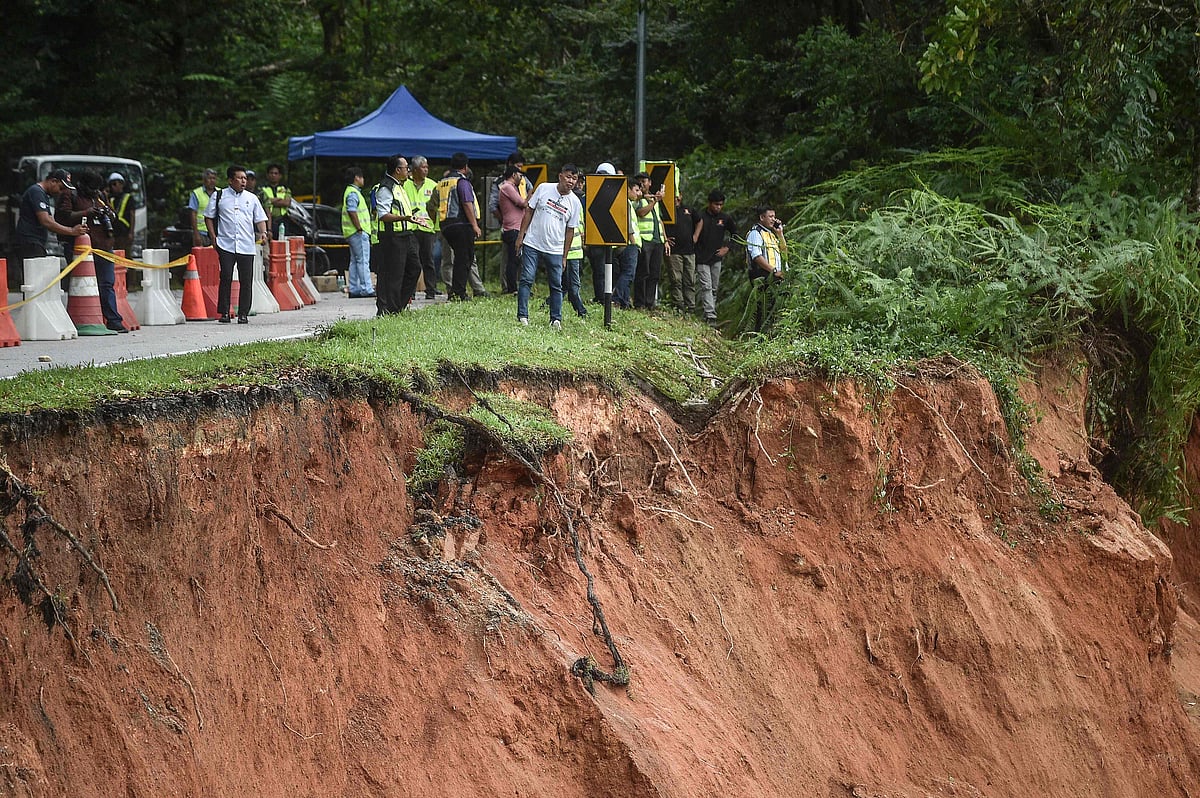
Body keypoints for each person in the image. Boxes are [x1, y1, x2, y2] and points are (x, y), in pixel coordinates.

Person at [56, 168, 126, 332]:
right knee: (82, 285)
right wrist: (86, 213)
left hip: (104, 246)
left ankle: (114, 320)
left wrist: (108, 213)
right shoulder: (70, 194)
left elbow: (111, 213)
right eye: (91, 189)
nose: (94, 192)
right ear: (82, 185)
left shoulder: (100, 196)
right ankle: (80, 319)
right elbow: (62, 217)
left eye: (97, 189)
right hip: (80, 247)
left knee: (107, 283)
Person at [515, 164, 582, 329]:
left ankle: (555, 319)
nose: (571, 181)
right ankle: (522, 316)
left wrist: (564, 256)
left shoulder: (575, 202)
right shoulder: (544, 188)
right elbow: (529, 211)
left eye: (574, 178)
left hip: (555, 249)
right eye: (568, 177)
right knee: (526, 278)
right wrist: (521, 235)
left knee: (556, 284)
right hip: (532, 242)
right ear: (560, 176)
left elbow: (570, 231)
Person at [204, 165, 268, 324]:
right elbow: (208, 217)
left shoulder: (252, 198)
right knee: (225, 276)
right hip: (225, 243)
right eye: (239, 178)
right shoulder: (219, 196)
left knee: (246, 280)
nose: (243, 181)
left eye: (245, 178)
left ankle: (243, 313)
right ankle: (224, 312)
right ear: (230, 180)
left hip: (246, 245)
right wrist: (213, 236)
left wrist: (264, 233)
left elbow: (260, 218)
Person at [374, 155, 423, 315]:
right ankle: (389, 309)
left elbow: (403, 211)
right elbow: (383, 214)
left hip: (406, 234)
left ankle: (398, 306)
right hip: (392, 237)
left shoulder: (400, 186)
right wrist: (405, 218)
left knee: (414, 269)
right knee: (394, 274)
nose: (408, 170)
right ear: (397, 170)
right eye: (406, 167)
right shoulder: (386, 188)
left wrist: (412, 218)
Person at [437, 152, 482, 302]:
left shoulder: (442, 182)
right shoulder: (461, 181)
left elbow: (432, 204)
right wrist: (474, 225)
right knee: (465, 258)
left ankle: (456, 291)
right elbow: (467, 203)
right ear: (465, 167)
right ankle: (458, 293)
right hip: (461, 224)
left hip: (445, 225)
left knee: (459, 258)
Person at [693, 190, 737, 325]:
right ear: (710, 203)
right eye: (716, 204)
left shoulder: (725, 218)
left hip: (716, 257)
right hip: (701, 256)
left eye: (721, 205)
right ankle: (711, 314)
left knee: (714, 288)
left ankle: (709, 313)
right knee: (706, 286)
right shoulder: (700, 216)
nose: (718, 207)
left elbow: (735, 233)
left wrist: (727, 247)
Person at [745, 204, 788, 331]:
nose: (773, 219)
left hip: (774, 275)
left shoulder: (771, 234)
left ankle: (770, 334)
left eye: (774, 216)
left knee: (774, 307)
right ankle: (759, 335)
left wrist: (780, 234)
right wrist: (774, 271)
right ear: (762, 217)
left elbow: (784, 252)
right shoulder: (755, 233)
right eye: (770, 216)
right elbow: (756, 256)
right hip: (762, 275)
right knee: (763, 307)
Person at [404, 156, 440, 299]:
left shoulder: (433, 185)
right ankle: (410, 292)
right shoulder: (405, 184)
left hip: (427, 228)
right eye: (423, 167)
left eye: (427, 167)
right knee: (412, 261)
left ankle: (431, 290)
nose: (426, 170)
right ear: (414, 169)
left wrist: (436, 226)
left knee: (428, 260)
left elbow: (438, 207)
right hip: (411, 227)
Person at [633, 172, 669, 309]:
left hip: (657, 241)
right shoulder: (638, 199)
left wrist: (665, 239)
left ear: (650, 183)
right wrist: (655, 201)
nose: (642, 184)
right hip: (644, 240)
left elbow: (659, 221)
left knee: (654, 273)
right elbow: (641, 213)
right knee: (643, 272)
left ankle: (650, 302)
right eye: (640, 182)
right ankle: (640, 302)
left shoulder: (654, 199)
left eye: (644, 181)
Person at [586, 161, 618, 302]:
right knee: (601, 271)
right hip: (598, 239)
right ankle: (602, 298)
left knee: (605, 271)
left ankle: (605, 297)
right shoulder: (591, 195)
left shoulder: (590, 193)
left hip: (606, 239)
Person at [341, 166, 374, 298]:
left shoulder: (350, 192)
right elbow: (352, 211)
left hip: (351, 232)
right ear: (357, 178)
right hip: (358, 232)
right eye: (362, 177)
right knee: (363, 261)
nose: (363, 180)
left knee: (355, 261)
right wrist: (359, 228)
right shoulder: (353, 193)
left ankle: (354, 289)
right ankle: (367, 288)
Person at [612, 177, 643, 310]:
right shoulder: (625, 203)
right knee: (628, 273)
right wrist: (633, 243)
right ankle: (617, 299)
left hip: (624, 243)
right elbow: (628, 226)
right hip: (629, 244)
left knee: (626, 273)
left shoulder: (626, 203)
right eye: (636, 190)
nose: (638, 193)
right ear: (627, 189)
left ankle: (624, 301)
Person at [664, 191, 698, 313]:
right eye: (673, 195)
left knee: (690, 279)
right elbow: (660, 222)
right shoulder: (666, 210)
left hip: (689, 250)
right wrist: (665, 238)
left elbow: (699, 221)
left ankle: (691, 307)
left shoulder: (688, 209)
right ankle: (678, 305)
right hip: (674, 251)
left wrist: (695, 236)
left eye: (678, 195)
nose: (676, 198)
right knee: (676, 279)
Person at [497, 165, 528, 295]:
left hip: (515, 227)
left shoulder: (511, 187)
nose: (521, 179)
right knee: (514, 259)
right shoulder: (507, 187)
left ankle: (516, 287)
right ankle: (512, 288)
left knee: (517, 259)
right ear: (514, 174)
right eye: (520, 175)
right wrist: (531, 194)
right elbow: (523, 203)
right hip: (513, 228)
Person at [107, 172, 136, 253]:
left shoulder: (128, 197)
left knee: (126, 253)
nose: (114, 186)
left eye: (115, 184)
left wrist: (131, 232)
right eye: (112, 184)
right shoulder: (110, 199)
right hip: (114, 231)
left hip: (124, 231)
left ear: (121, 184)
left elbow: (132, 215)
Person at [261, 163, 293, 238]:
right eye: (271, 173)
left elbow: (287, 203)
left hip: (282, 220)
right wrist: (279, 200)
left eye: (276, 173)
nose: (273, 175)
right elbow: (263, 202)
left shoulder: (285, 189)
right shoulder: (263, 189)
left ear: (280, 176)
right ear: (267, 175)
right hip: (268, 221)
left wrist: (270, 201)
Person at [188, 168, 218, 248]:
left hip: (217, 232)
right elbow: (193, 214)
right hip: (201, 232)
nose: (212, 181)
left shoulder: (220, 192)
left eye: (214, 178)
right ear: (204, 180)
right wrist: (196, 233)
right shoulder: (197, 193)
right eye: (209, 178)